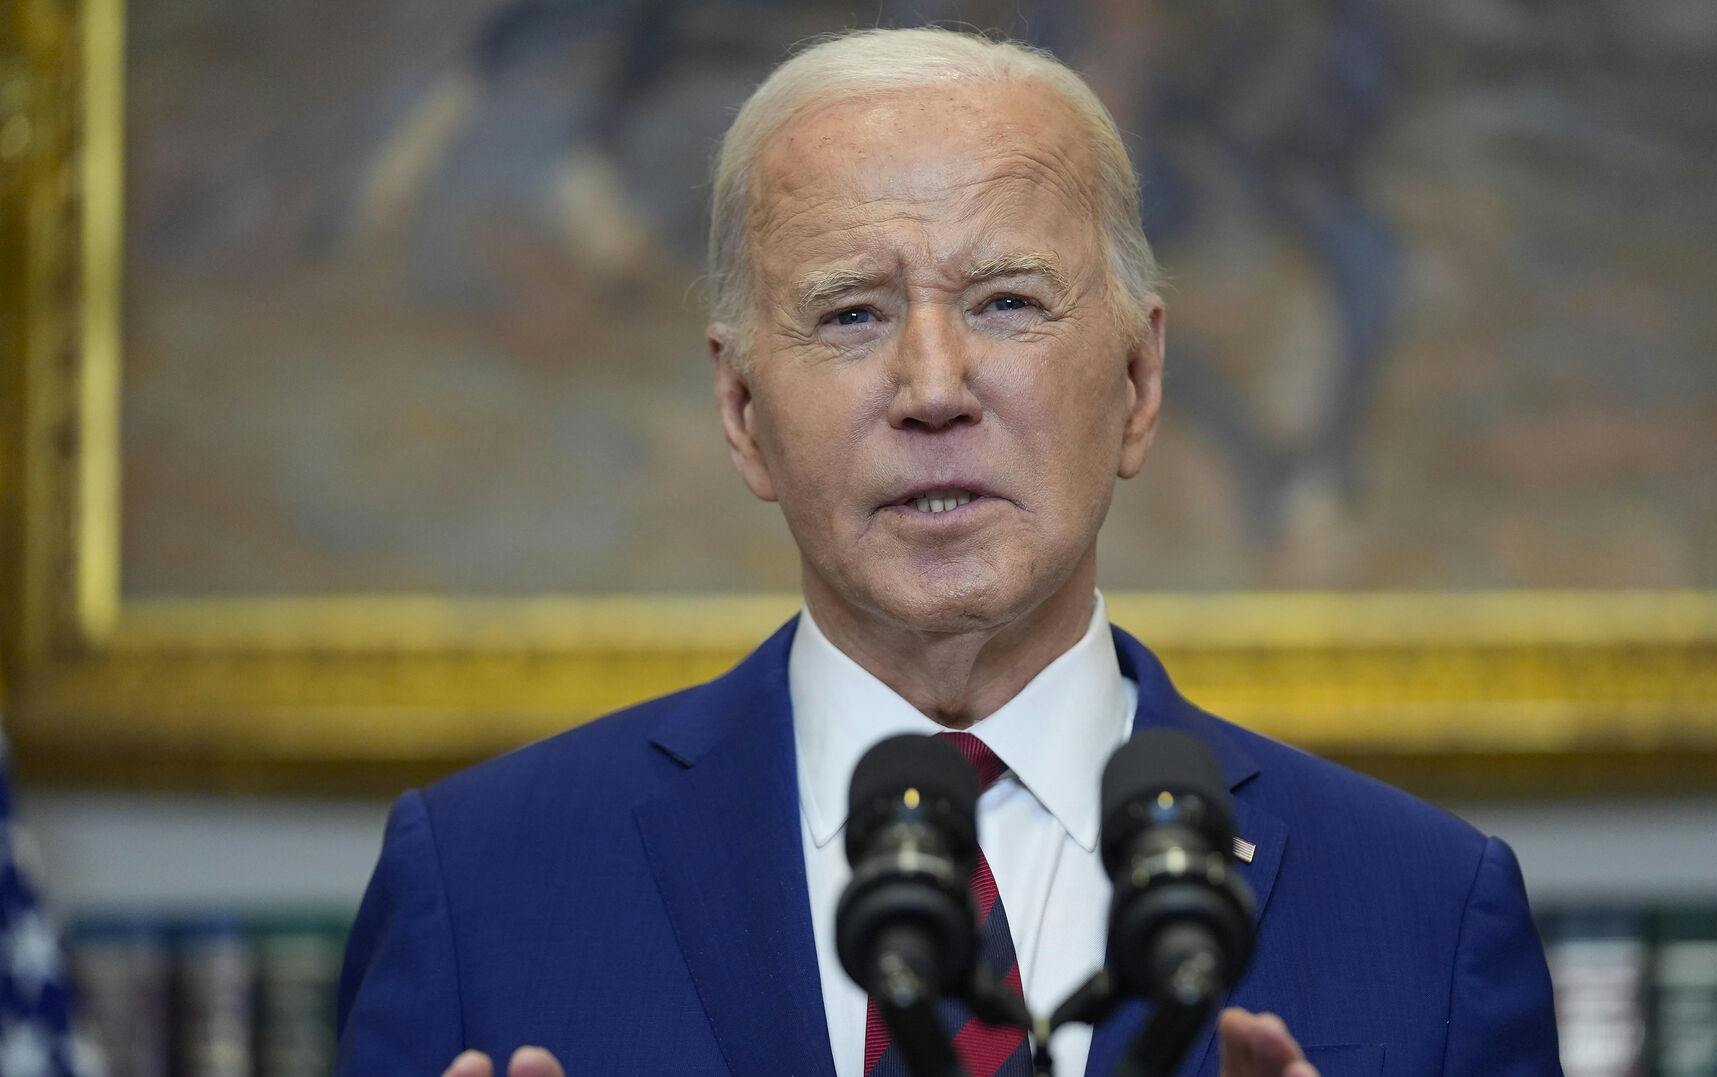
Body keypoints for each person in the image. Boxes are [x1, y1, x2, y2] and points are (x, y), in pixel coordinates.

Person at [334, 27, 1560, 1077]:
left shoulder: (1426, 912)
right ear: (743, 413)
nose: (932, 387)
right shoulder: (488, 888)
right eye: (851, 312)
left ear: (1138, 384)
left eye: (1008, 303)